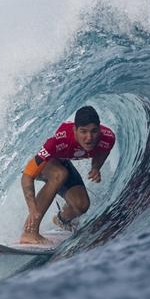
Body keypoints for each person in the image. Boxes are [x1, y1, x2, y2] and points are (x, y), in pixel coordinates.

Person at [20, 105, 116, 244]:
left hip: (61, 162)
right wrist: (33, 209)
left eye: (94, 131)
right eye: (83, 131)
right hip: (39, 160)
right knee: (59, 174)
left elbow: (103, 151)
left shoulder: (107, 138)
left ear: (99, 129)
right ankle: (29, 233)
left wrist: (95, 167)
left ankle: (62, 220)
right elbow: (27, 176)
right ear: (75, 130)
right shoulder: (58, 140)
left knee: (81, 205)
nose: (89, 138)